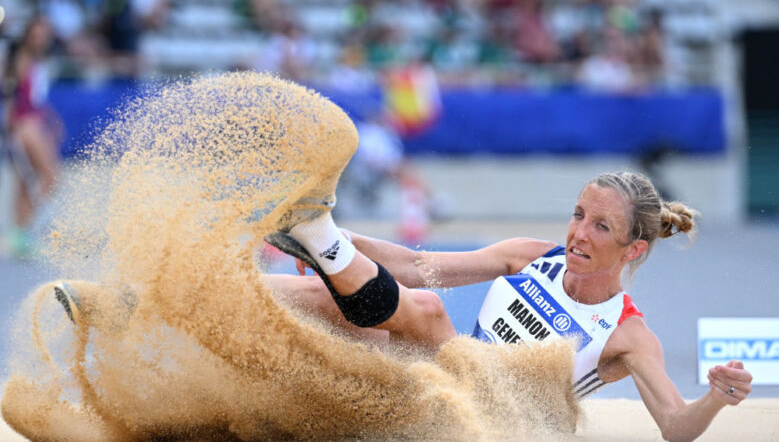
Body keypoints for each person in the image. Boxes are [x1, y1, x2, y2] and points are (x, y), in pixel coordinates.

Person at [264, 170, 754, 442]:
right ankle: (213, 293)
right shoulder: (532, 257)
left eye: (601, 227)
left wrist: (714, 398)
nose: (579, 233)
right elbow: (419, 265)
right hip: (434, 392)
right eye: (579, 214)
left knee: (430, 311)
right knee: (322, 298)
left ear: (633, 250)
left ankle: (326, 245)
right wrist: (354, 242)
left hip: (495, 428)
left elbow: (674, 427)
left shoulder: (628, 337)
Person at [1, 16, 62, 256]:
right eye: (36, 35)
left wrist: (50, 118)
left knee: (26, 183)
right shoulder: (21, 60)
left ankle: (20, 234)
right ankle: (26, 230)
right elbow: (10, 98)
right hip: (24, 126)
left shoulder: (37, 61)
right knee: (51, 176)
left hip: (32, 122)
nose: (41, 40)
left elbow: (35, 98)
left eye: (44, 35)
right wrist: (11, 130)